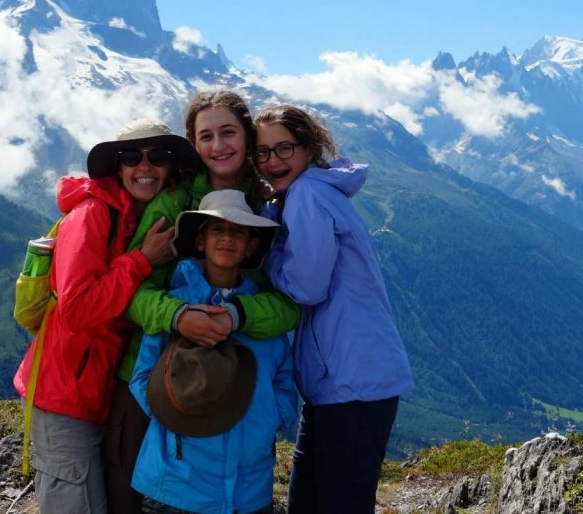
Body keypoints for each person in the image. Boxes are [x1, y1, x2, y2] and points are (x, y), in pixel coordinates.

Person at [103, 91, 299, 514]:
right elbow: (132, 292)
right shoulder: (172, 204)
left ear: (246, 137)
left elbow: (289, 303)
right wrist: (177, 316)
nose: (218, 146)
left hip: (244, 380)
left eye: (228, 133)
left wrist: (235, 316)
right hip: (156, 369)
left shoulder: (268, 208)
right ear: (193, 144)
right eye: (205, 136)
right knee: (136, 492)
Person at [13, 119, 202, 514]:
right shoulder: (93, 215)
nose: (145, 167)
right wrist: (141, 261)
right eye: (133, 157)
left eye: (159, 157)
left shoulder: (134, 218)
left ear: (171, 169)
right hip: (64, 397)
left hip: (94, 393)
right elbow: (78, 309)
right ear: (118, 167)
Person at [253, 104, 414, 514]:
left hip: (352, 382)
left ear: (308, 148)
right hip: (344, 379)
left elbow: (306, 286)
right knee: (313, 500)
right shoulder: (313, 192)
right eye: (264, 152)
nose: (273, 161)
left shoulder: (307, 194)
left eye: (284, 148)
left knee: (336, 501)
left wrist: (265, 251)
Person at [129, 189, 298, 514]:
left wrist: (269, 420)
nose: (227, 239)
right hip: (177, 485)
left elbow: (284, 376)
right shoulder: (176, 304)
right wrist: (175, 421)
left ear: (250, 245)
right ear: (200, 241)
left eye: (238, 231)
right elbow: (143, 377)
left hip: (250, 490)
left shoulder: (260, 312)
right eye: (217, 230)